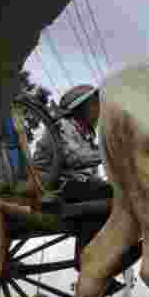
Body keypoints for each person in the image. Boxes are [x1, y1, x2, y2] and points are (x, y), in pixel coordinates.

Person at [32, 84, 112, 263]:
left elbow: (91, 173)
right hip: (49, 184)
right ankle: (86, 258)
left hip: (72, 185)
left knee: (108, 194)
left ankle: (90, 257)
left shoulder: (88, 136)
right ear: (81, 108)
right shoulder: (63, 125)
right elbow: (74, 159)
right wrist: (111, 152)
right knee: (102, 192)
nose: (99, 111)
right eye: (95, 105)